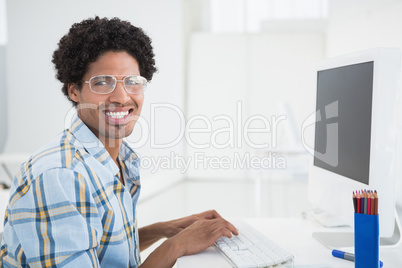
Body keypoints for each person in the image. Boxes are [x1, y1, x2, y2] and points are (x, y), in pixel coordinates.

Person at [0, 16, 238, 267]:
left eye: (132, 82)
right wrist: (175, 247)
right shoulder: (61, 176)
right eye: (103, 82)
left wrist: (165, 229)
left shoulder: (118, 158)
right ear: (74, 90)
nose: (122, 97)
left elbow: (101, 248)